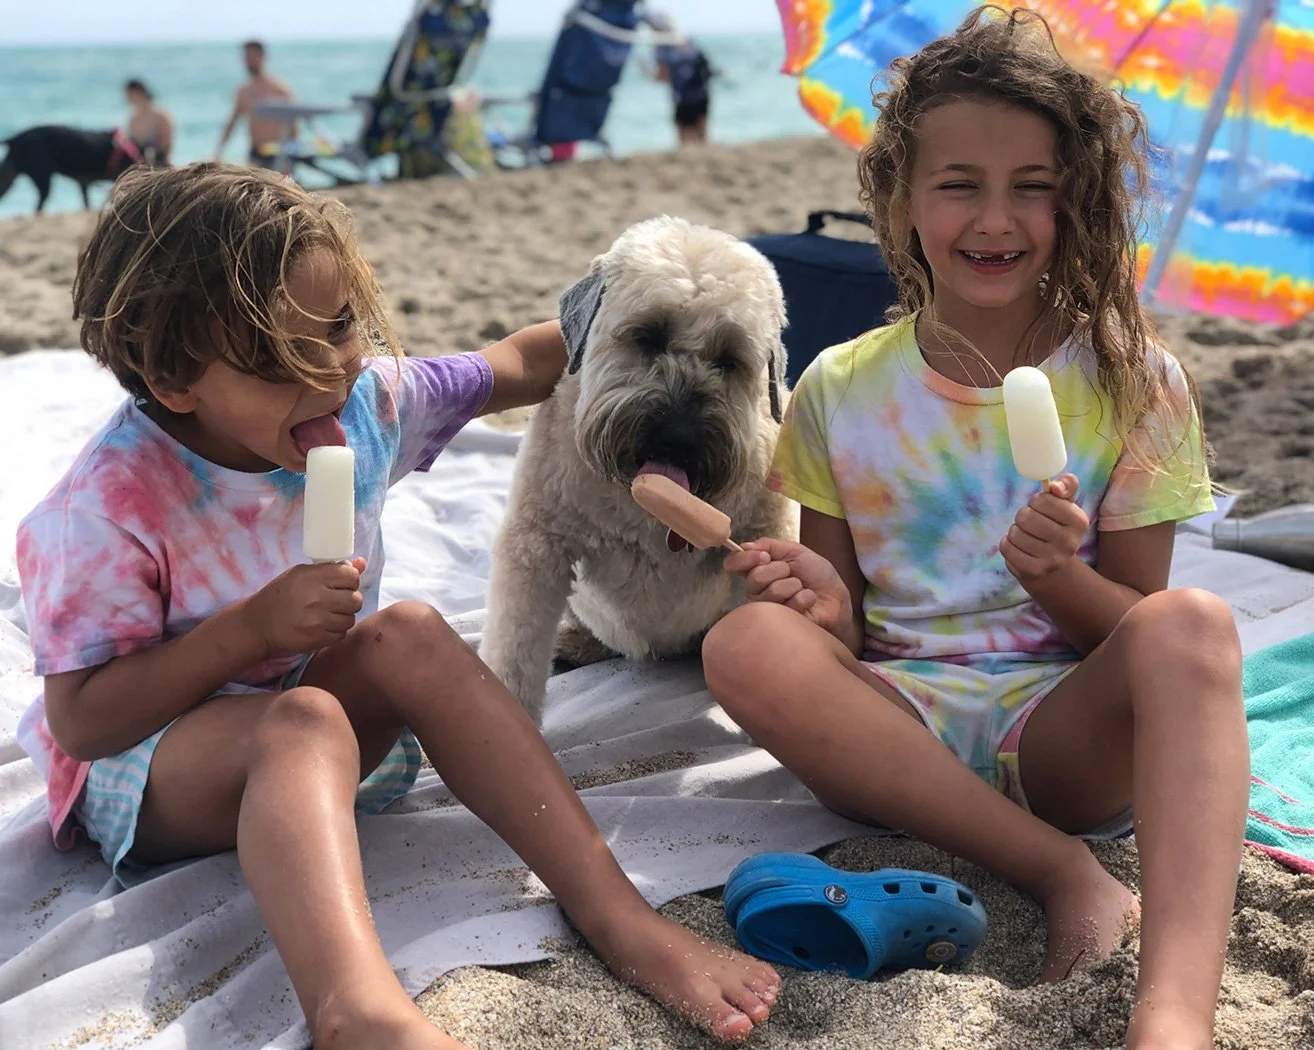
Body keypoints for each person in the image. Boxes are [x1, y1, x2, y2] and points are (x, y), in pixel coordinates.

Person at [15, 164, 780, 1049]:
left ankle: (617, 914)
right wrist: (250, 633)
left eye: (340, 328)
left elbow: (514, 364)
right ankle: (356, 1008)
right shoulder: (108, 508)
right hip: (155, 773)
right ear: (176, 377)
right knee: (298, 721)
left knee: (413, 630)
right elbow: (82, 725)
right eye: (281, 359)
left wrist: (626, 333)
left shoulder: (368, 405)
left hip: (324, 728)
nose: (332, 375)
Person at [702, 9, 1247, 1050]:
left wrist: (1057, 580)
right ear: (900, 200)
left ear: (1073, 201)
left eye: (1030, 187)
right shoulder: (838, 387)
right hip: (896, 729)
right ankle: (1058, 875)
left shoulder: (1137, 381)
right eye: (958, 184)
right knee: (743, 641)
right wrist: (817, 608)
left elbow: (1134, 636)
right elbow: (841, 634)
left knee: (1194, 625)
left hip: (1061, 738)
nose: (993, 218)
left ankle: (1173, 1015)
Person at [215, 40, 295, 171]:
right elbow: (232, 123)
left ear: (263, 57)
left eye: (252, 56)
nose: (248, 61)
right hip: (255, 151)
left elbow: (293, 125)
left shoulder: (280, 89)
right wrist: (219, 152)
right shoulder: (244, 91)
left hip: (278, 151)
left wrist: (292, 153)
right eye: (246, 57)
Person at [642, 10, 713, 146]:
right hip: (701, 94)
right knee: (703, 139)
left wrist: (647, 72)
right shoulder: (688, 41)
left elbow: (663, 77)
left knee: (685, 142)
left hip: (682, 98)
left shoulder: (663, 49)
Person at [123, 79, 174, 167]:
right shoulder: (133, 119)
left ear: (138, 92)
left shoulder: (161, 116)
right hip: (139, 166)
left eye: (129, 94)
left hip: (161, 165)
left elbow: (167, 145)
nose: (127, 98)